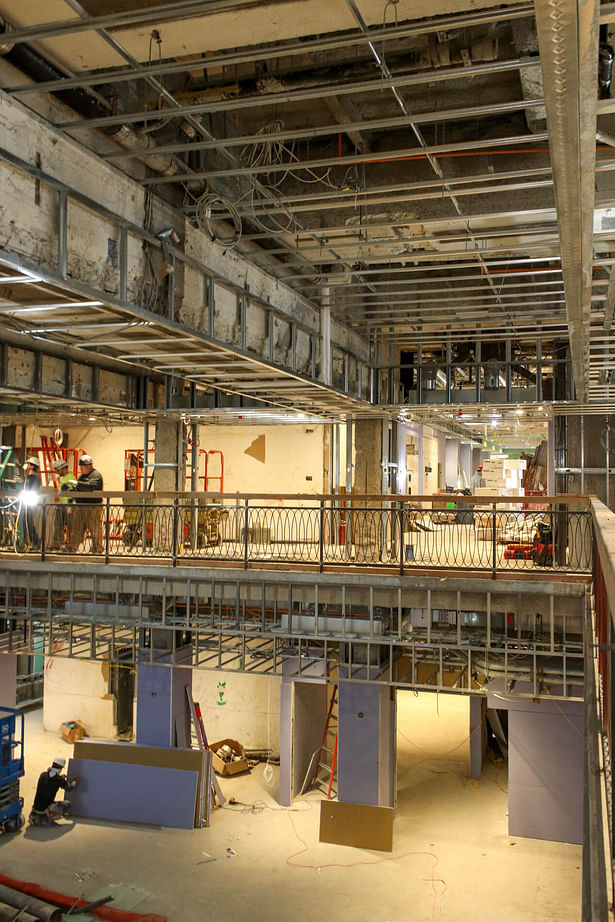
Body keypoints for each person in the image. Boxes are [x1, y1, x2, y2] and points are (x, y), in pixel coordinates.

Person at [68, 455, 103, 554]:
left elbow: (91, 486)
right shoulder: (82, 477)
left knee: (95, 529)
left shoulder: (96, 476)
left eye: (82, 467)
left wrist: (77, 484)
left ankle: (98, 549)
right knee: (76, 530)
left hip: (92, 507)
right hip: (80, 507)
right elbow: (77, 490)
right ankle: (71, 549)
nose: (81, 469)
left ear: (88, 466)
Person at [29, 756, 78, 826]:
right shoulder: (59, 780)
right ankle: (48, 817)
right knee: (67, 804)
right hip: (46, 809)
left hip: (36, 808)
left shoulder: (43, 775)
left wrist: (60, 777)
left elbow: (50, 779)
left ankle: (36, 816)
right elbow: (69, 788)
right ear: (61, 768)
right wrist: (75, 782)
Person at [47, 458, 77, 551]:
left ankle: (71, 547)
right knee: (58, 526)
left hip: (68, 506)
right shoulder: (64, 478)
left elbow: (73, 493)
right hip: (62, 506)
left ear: (64, 468)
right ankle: (56, 544)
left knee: (71, 528)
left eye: (58, 470)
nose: (57, 472)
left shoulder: (70, 478)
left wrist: (70, 506)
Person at [23, 456, 42, 548]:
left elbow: (33, 489)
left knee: (29, 522)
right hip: (25, 502)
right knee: (25, 522)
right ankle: (29, 541)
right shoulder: (27, 477)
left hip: (31, 503)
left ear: (33, 466)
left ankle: (35, 541)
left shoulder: (36, 478)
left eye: (29, 464)